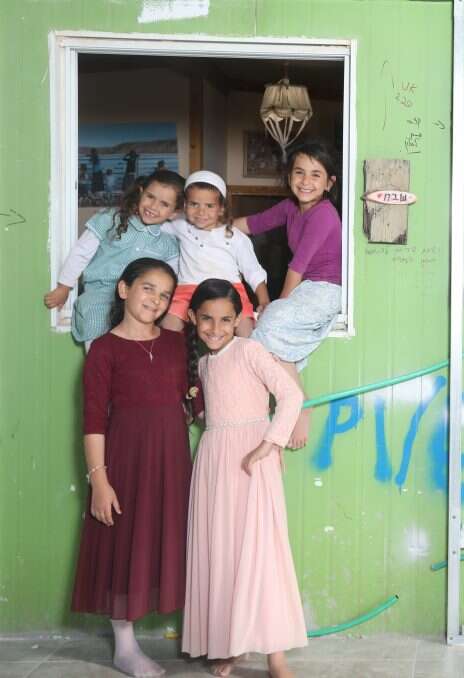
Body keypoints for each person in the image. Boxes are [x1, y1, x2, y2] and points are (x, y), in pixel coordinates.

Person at [70, 258, 192, 678]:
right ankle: (124, 648)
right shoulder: (104, 350)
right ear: (124, 289)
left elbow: (195, 396)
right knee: (123, 545)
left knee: (168, 540)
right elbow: (92, 421)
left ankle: (203, 635)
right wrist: (99, 481)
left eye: (165, 295)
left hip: (172, 462)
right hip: (124, 462)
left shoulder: (177, 344)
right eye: (148, 288)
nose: (156, 300)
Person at [182, 279, 306, 678]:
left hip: (253, 459)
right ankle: (230, 644)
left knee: (262, 552)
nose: (215, 328)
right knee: (222, 552)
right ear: (193, 318)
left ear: (238, 320)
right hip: (214, 458)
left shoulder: (250, 350)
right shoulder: (203, 364)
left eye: (225, 319)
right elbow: (217, 410)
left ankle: (276, 658)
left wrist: (269, 444)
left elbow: (291, 396)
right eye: (207, 319)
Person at [232, 141, 344, 449]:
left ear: (329, 183)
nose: (305, 181)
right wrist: (214, 229)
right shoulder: (289, 208)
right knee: (261, 333)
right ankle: (287, 400)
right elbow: (251, 224)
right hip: (307, 288)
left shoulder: (323, 214)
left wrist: (278, 305)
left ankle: (300, 404)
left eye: (315, 175)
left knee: (269, 322)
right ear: (289, 175)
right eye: (299, 173)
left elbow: (297, 266)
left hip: (325, 290)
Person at [43, 170, 184, 350]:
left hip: (140, 298)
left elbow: (172, 279)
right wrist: (64, 286)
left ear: (174, 213)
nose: (154, 206)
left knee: (143, 329)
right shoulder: (110, 219)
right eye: (150, 197)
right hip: (101, 293)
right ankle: (99, 363)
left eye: (164, 204)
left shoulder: (168, 243)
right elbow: (81, 252)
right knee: (95, 317)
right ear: (141, 192)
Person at [161, 170, 269, 337]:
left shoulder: (235, 237)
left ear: (221, 208)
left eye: (209, 206)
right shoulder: (180, 226)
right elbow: (155, 224)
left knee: (246, 332)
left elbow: (253, 271)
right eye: (194, 204)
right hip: (188, 290)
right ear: (185, 205)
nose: (201, 212)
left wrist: (264, 301)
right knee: (168, 328)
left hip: (230, 290)